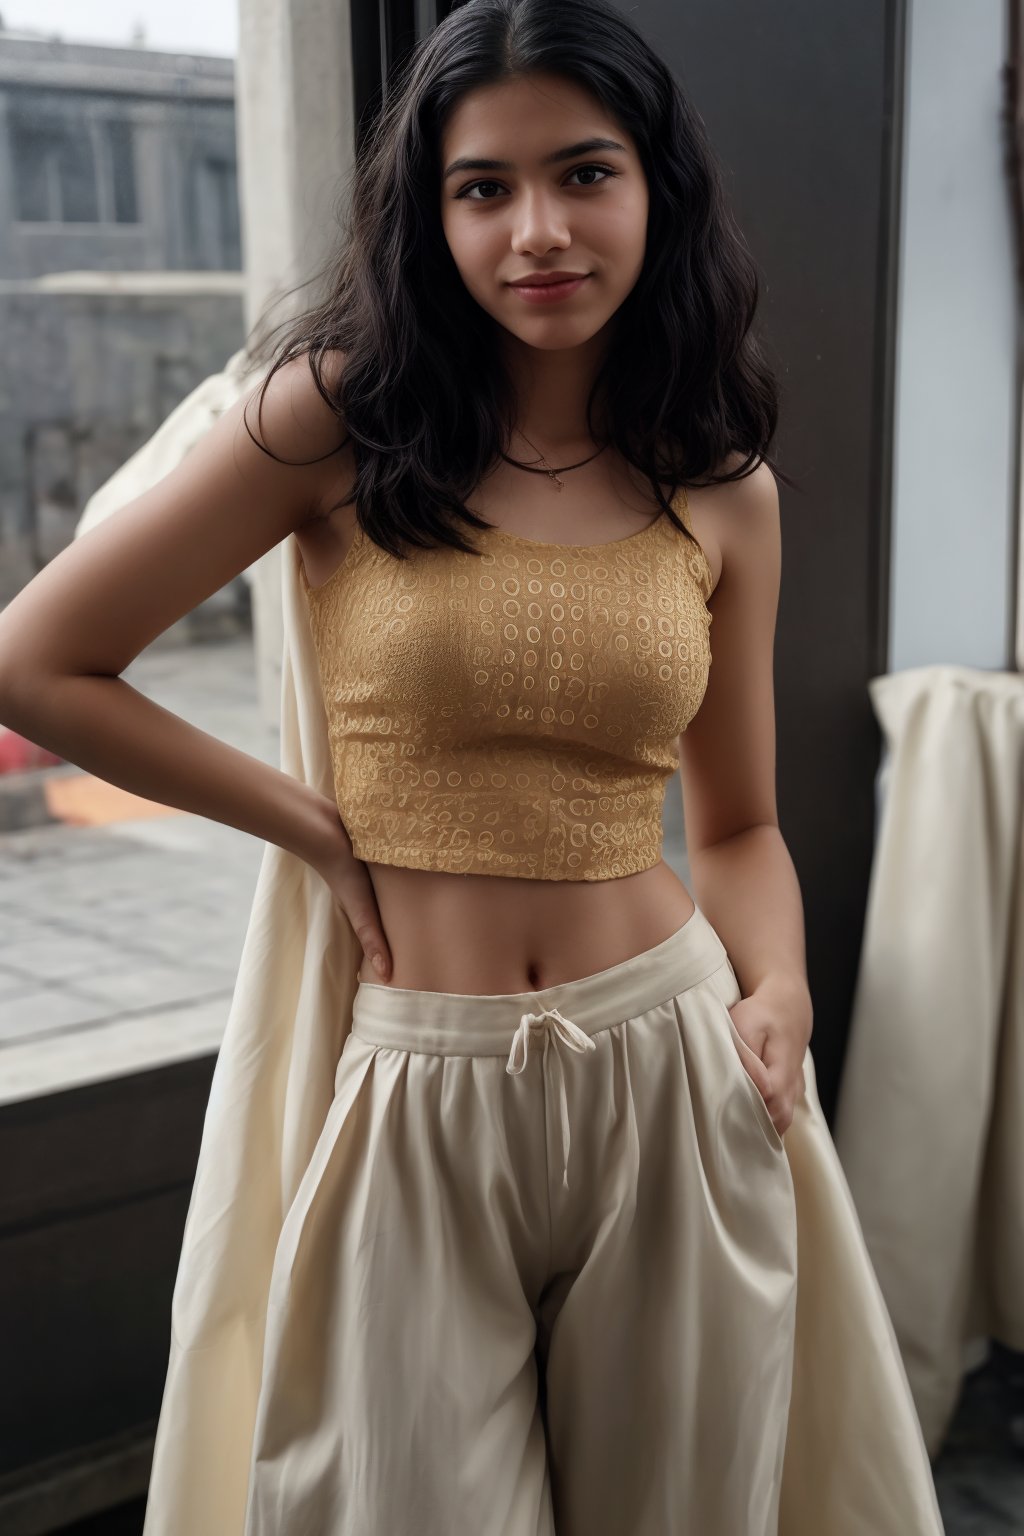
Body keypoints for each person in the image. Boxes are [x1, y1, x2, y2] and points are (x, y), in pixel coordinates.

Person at [0, 2, 947, 1532]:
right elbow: (39, 660)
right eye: (483, 188)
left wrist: (781, 993)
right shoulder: (338, 423)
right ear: (430, 212)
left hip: (671, 1065)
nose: (539, 232)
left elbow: (748, 823)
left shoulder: (722, 491)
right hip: (418, 1082)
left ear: (659, 190)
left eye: (585, 174)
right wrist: (312, 829)